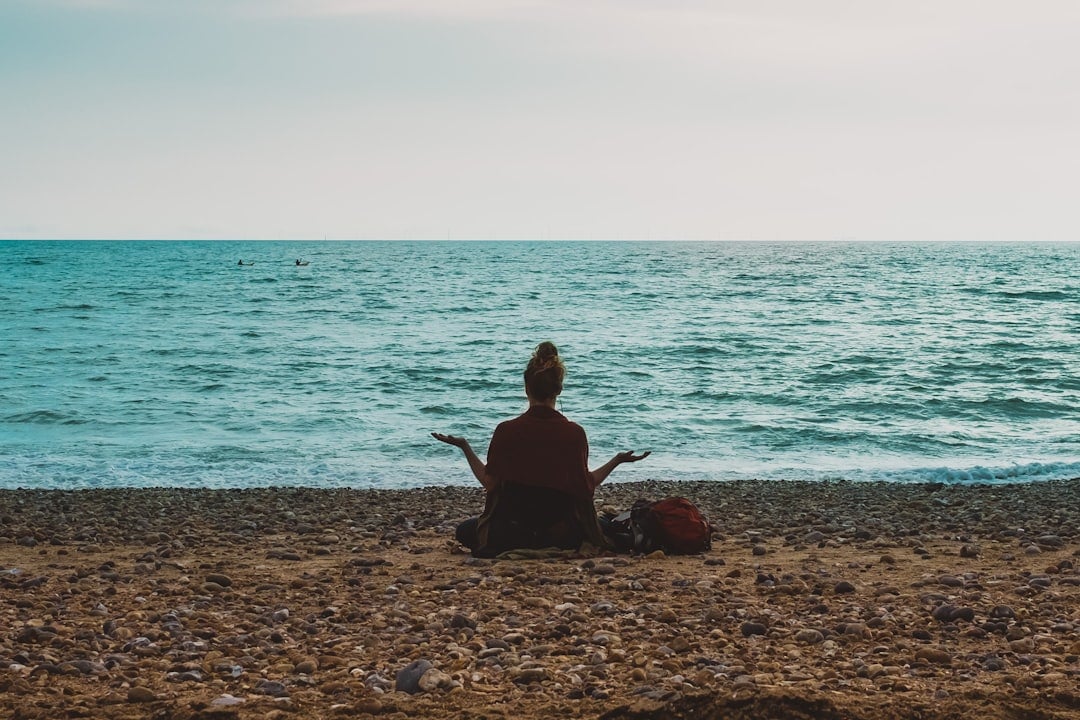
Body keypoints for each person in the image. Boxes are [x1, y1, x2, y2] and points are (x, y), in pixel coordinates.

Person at [432, 341, 649, 557]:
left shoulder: (506, 431)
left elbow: (490, 484)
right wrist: (616, 460)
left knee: (465, 531)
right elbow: (585, 487)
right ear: (559, 389)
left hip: (512, 532)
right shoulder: (574, 433)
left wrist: (465, 447)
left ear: (526, 388)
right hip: (561, 534)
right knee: (605, 524)